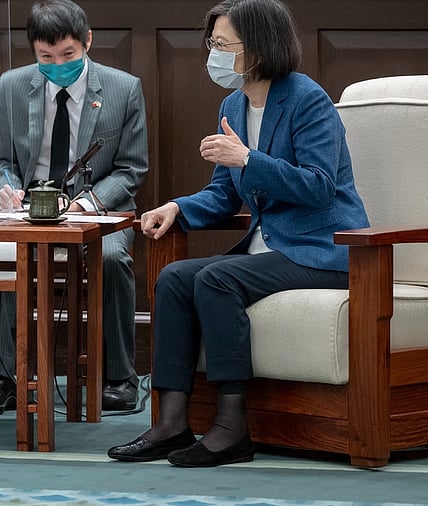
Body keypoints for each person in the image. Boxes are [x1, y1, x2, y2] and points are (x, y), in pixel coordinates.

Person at [107, 0, 369, 467]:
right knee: (173, 279)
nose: (214, 54)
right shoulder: (233, 103)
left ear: (260, 49)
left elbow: (319, 186)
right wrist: (176, 207)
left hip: (324, 251)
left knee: (216, 278)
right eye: (212, 44)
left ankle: (231, 428)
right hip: (271, 250)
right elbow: (225, 195)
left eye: (224, 45)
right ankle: (170, 423)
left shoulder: (308, 100)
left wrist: (248, 158)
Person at [0, 0, 149, 416]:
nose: (58, 64)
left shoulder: (123, 88)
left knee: (113, 255)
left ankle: (119, 377)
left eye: (68, 55)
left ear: (87, 41)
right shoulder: (7, 87)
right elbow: (0, 163)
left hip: (97, 206)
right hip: (28, 208)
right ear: (33, 50)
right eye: (46, 58)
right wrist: (6, 191)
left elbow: (131, 168)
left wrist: (85, 204)